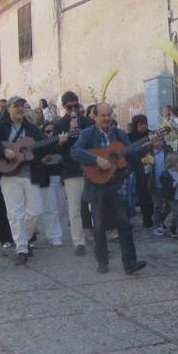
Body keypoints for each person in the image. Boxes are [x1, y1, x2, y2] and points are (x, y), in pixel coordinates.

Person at [0, 95, 64, 265]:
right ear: (9, 109)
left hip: (29, 175)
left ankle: (24, 240)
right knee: (15, 214)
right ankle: (21, 248)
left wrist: (59, 142)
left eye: (22, 106)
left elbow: (45, 144)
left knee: (35, 211)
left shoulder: (32, 129)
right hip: (9, 175)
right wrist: (4, 152)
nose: (20, 109)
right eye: (16, 106)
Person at [72, 103, 147, 276]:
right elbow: (75, 151)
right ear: (95, 117)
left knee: (123, 222)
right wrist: (96, 160)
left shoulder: (119, 134)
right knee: (98, 225)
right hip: (95, 184)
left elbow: (132, 154)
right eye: (103, 115)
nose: (106, 118)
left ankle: (130, 263)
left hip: (115, 184)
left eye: (109, 115)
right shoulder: (87, 133)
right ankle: (102, 261)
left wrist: (149, 145)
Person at [57, 91, 94, 255]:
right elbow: (60, 151)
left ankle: (97, 235)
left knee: (95, 205)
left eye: (76, 106)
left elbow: (94, 143)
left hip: (90, 168)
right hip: (71, 170)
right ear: (64, 107)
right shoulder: (59, 125)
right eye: (69, 106)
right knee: (74, 209)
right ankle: (78, 242)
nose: (73, 109)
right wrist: (63, 140)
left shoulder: (88, 122)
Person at [38, 118, 67, 247]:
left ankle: (53, 230)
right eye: (47, 131)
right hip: (46, 178)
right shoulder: (40, 143)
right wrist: (42, 161)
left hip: (59, 177)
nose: (50, 134)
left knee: (60, 207)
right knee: (50, 208)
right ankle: (54, 236)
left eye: (52, 131)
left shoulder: (61, 144)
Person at [154, 152, 178, 239]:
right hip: (172, 197)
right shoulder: (166, 174)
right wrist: (177, 181)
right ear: (172, 163)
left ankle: (173, 228)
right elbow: (168, 185)